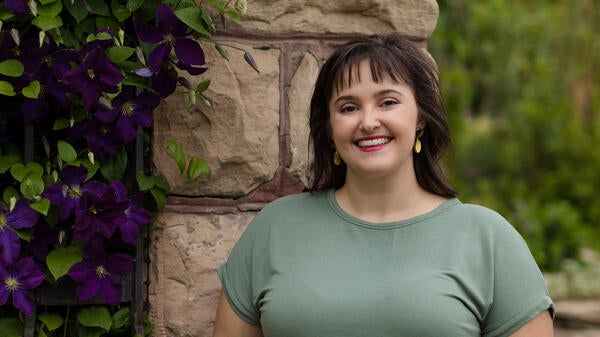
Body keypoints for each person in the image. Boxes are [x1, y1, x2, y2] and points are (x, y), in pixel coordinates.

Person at [212, 33, 554, 337]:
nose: (368, 121)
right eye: (348, 107)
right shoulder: (276, 228)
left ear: (420, 117)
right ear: (330, 129)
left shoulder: (488, 239)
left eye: (388, 101)